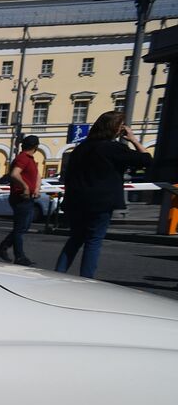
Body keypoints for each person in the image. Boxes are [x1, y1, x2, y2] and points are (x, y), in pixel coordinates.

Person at [54, 111, 152, 279]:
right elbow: (147, 160)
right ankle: (86, 280)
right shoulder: (113, 149)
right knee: (93, 241)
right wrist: (133, 139)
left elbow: (68, 176)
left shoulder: (80, 149)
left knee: (75, 239)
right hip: (101, 202)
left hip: (76, 201)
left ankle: (57, 274)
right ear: (116, 128)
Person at [0, 135, 43, 266]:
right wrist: (25, 187)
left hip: (27, 197)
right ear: (36, 147)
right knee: (20, 229)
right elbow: (15, 174)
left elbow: (37, 175)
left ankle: (2, 248)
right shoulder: (23, 158)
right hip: (20, 197)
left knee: (23, 227)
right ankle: (19, 257)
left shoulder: (29, 159)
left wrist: (36, 188)